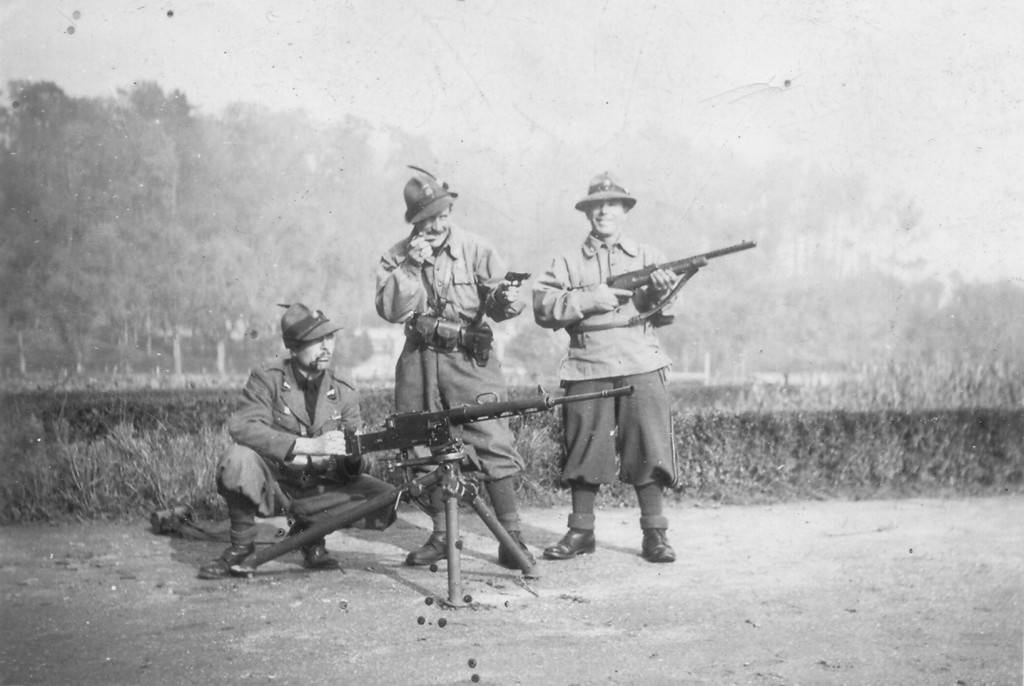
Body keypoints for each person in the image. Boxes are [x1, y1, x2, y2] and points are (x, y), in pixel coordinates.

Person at [375, 168, 534, 569]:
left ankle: (510, 535)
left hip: (469, 358)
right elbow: (391, 310)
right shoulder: (396, 256)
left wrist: (507, 296)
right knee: (420, 441)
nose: (438, 225)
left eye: (443, 215)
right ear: (416, 221)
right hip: (419, 359)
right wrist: (410, 268)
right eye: (428, 219)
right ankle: (443, 535)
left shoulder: (477, 249)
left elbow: (504, 308)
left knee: (492, 435)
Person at [532, 171, 679, 563]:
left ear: (625, 210)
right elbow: (543, 306)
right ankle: (581, 531)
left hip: (639, 360)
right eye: (597, 204)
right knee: (584, 447)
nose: (605, 211)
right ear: (587, 212)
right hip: (587, 363)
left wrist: (661, 294)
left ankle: (655, 534)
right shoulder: (566, 262)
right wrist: (589, 299)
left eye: (613, 203)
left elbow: (665, 317)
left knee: (648, 445)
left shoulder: (651, 258)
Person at [198, 303, 396, 579]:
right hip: (277, 485)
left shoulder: (344, 390)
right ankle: (241, 547)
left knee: (386, 498)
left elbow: (356, 464)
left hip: (319, 487)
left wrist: (352, 458)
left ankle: (309, 535)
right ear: (293, 346)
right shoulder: (268, 378)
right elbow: (243, 427)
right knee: (237, 459)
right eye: (316, 340)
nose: (327, 346)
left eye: (330, 338)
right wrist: (309, 446)